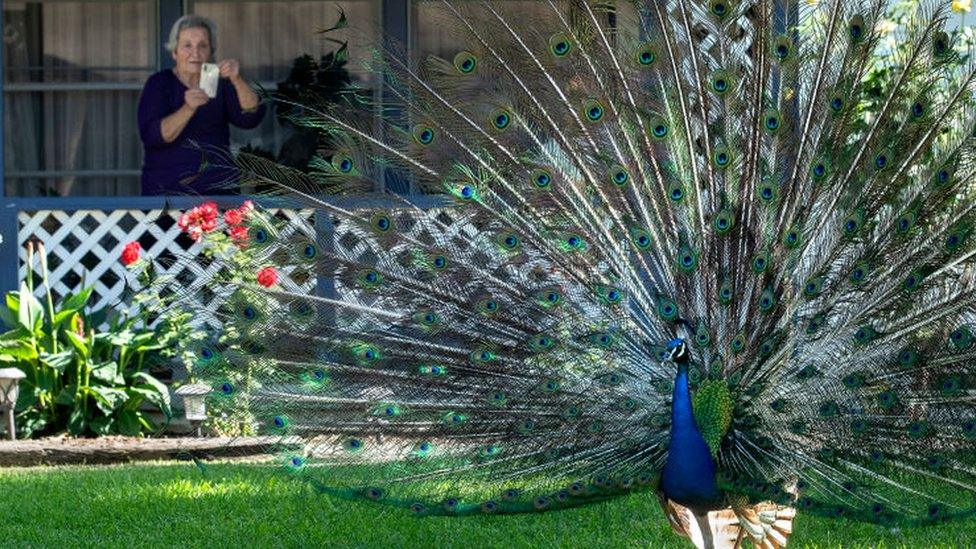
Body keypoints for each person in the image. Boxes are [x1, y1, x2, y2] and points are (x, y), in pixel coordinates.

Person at [138, 15, 266, 195]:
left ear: (211, 51)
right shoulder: (159, 83)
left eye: (202, 45)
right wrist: (188, 108)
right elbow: (154, 136)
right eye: (187, 45)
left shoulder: (218, 81)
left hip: (218, 194)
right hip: (168, 193)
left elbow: (251, 116)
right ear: (175, 51)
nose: (195, 53)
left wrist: (237, 80)